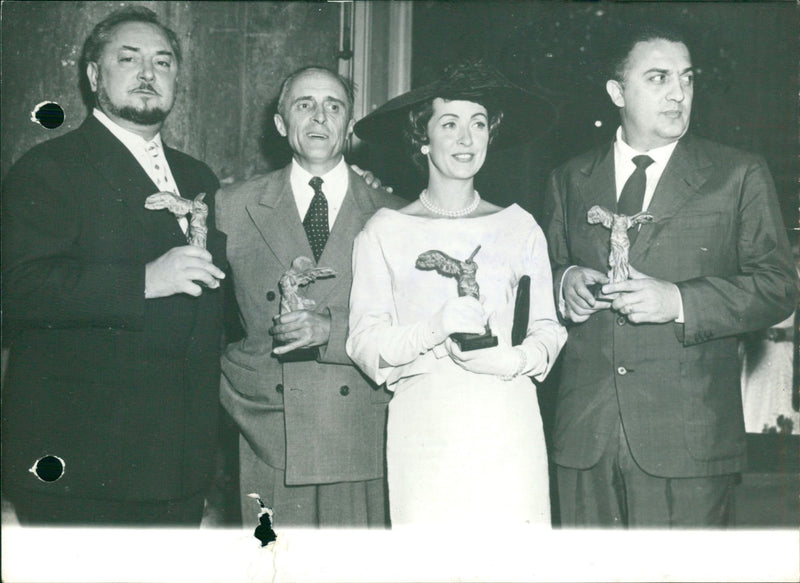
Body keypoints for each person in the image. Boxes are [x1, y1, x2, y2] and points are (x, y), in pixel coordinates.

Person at [544, 25, 797, 527]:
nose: (679, 93)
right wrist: (565, 281)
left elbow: (778, 287)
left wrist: (679, 301)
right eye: (658, 78)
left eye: (687, 78)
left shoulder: (737, 173)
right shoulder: (569, 177)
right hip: (584, 438)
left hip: (689, 443)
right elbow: (545, 271)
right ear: (617, 92)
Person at [1, 7, 226, 525]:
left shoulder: (198, 177)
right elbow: (18, 291)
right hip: (86, 465)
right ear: (94, 76)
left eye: (163, 62)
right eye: (129, 59)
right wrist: (145, 280)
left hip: (180, 467)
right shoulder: (48, 168)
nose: (149, 73)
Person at [347, 62, 567, 526]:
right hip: (427, 427)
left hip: (507, 421)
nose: (467, 139)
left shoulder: (518, 225)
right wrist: (434, 328)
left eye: (479, 123)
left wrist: (513, 360)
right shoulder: (385, 231)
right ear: (422, 139)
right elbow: (365, 344)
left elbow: (548, 328)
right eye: (450, 124)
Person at [216, 66, 405, 528]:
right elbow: (209, 321)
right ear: (281, 124)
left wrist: (332, 331)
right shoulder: (230, 207)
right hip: (268, 430)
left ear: (349, 124)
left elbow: (414, 328)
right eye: (305, 105)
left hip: (361, 428)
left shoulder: (395, 212)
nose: (320, 117)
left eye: (334, 106)